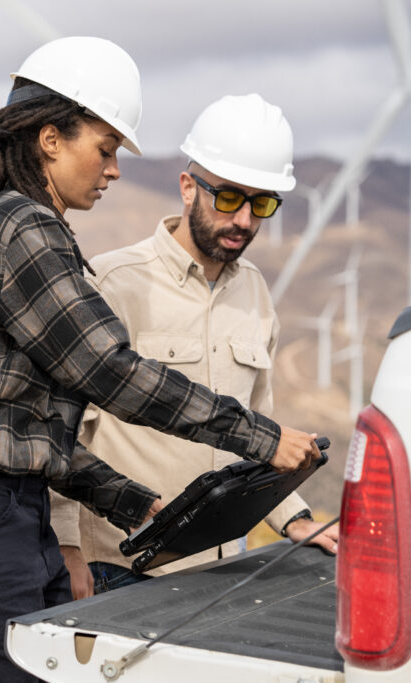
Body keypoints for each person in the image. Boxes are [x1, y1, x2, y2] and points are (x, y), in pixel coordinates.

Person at [0, 40, 319, 682]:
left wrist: (130, 502)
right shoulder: (23, 228)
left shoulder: (22, 228)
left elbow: (33, 434)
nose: (113, 169)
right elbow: (109, 372)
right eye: (106, 148)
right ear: (51, 138)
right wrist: (261, 437)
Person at [51, 94, 341, 600]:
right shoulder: (113, 283)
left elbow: (258, 427)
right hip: (122, 570)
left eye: (262, 203)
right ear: (188, 188)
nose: (245, 221)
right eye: (228, 198)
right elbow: (61, 430)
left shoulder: (255, 293)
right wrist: (66, 550)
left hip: (223, 569)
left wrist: (293, 518)